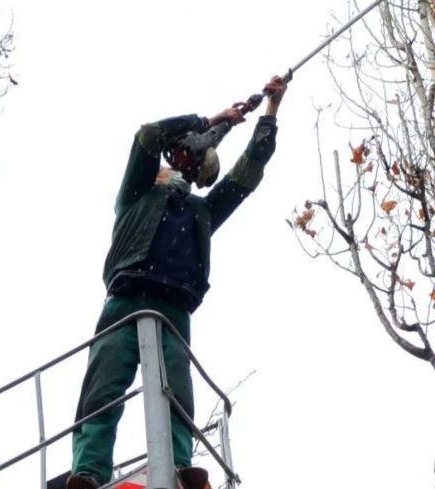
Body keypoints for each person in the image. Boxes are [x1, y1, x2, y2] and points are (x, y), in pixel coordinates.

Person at [67, 75, 288, 489]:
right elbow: (149, 136)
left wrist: (271, 111)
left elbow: (249, 171)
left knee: (177, 398)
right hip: (125, 299)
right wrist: (212, 119)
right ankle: (89, 473)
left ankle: (179, 467)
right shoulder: (135, 195)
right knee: (102, 391)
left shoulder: (202, 214)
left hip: (172, 309)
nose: (176, 169)